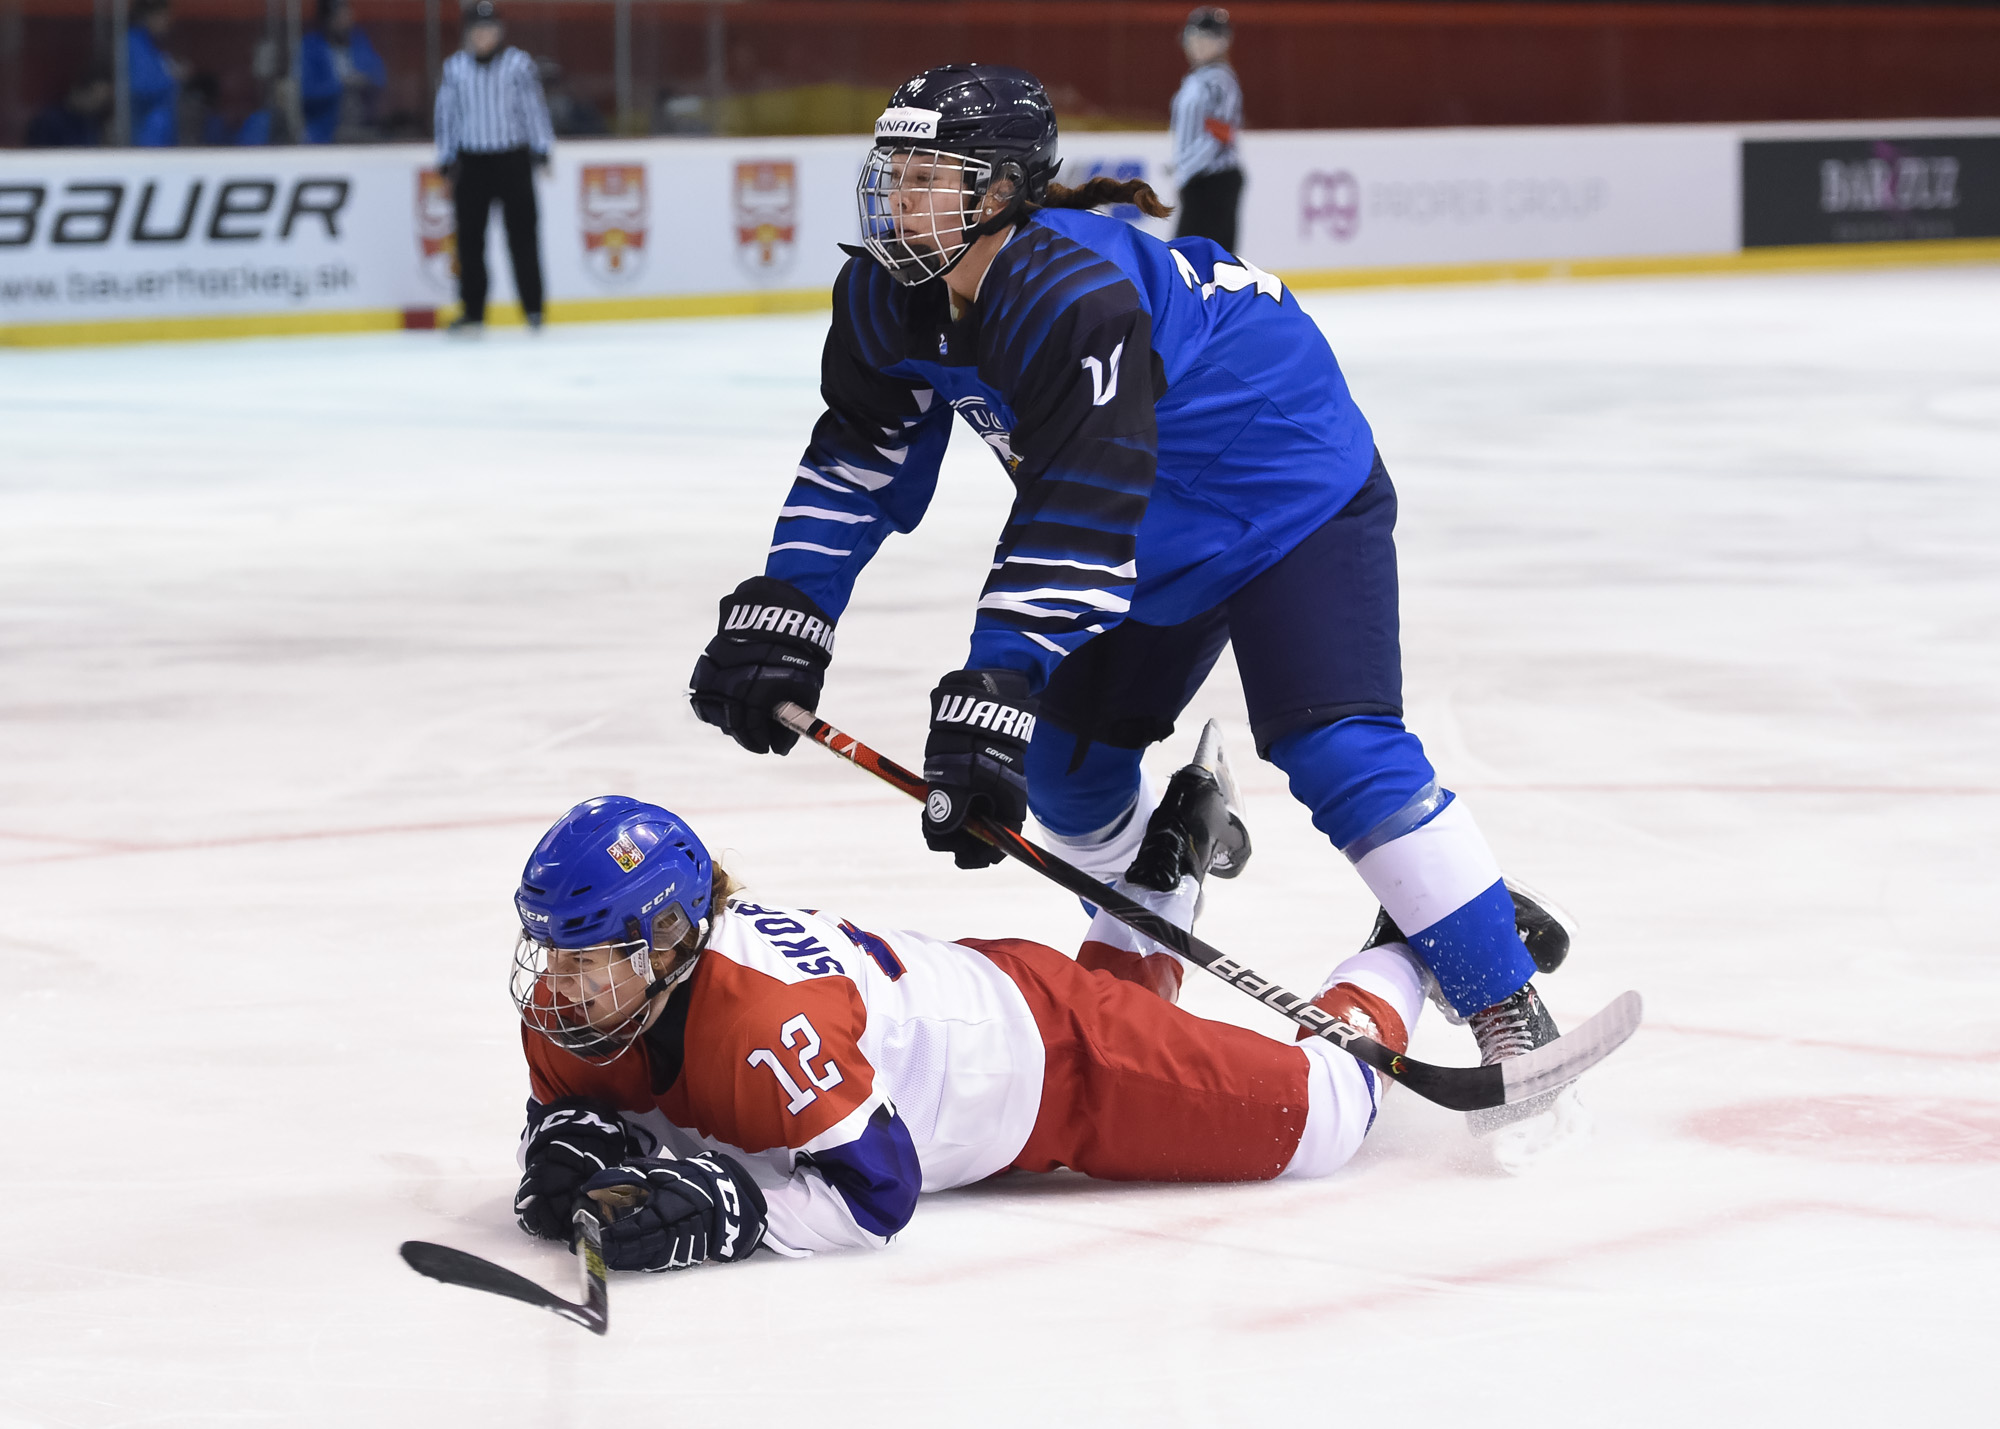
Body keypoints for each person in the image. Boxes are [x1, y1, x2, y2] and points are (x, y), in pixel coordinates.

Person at [686, 64, 1579, 1145]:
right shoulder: (886, 293)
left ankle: (1504, 1007)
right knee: (1066, 775)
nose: (899, 199)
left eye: (932, 176)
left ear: (1004, 191)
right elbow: (860, 459)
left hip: (1287, 496)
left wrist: (998, 677)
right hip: (1145, 533)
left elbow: (1080, 505)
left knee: (1338, 749)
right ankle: (1165, 866)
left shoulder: (1074, 292)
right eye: (893, 171)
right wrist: (787, 607)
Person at [506, 763, 1430, 1268]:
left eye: (591, 956)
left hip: (1056, 1061)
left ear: (668, 938)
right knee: (1138, 1016)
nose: (566, 983)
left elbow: (880, 1190)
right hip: (968, 1001)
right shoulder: (572, 1005)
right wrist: (565, 1138)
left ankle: (1411, 935)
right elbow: (575, 1105)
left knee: (1326, 1114)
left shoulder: (766, 1028)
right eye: (556, 951)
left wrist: (744, 1215)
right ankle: (1166, 869)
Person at [433, 0, 554, 331]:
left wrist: (542, 147)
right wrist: (445, 158)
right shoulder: (455, 68)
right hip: (472, 163)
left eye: (490, 30)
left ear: (500, 32)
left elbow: (534, 108)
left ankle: (533, 308)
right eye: (478, 30)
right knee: (470, 240)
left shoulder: (518, 65)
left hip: (512, 158)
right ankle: (473, 310)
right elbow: (447, 116)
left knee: (523, 236)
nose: (485, 36)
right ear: (468, 34)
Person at [1170, 6, 1244, 251]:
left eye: (1207, 38)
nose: (1198, 44)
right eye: (1194, 37)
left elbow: (1219, 134)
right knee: (1186, 255)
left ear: (1222, 43)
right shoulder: (1198, 78)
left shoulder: (1218, 80)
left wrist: (1186, 170)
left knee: (1208, 261)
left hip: (1213, 182)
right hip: (1199, 180)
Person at [300, 0, 386, 144]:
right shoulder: (311, 48)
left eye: (348, 14)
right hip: (325, 131)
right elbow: (307, 92)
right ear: (327, 19)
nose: (347, 20)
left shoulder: (359, 42)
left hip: (362, 126)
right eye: (341, 16)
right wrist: (341, 85)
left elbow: (379, 76)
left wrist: (365, 80)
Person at [126, 0, 182, 148]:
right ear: (149, 16)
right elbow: (139, 87)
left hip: (162, 132)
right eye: (163, 15)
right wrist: (171, 77)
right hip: (146, 133)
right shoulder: (134, 42)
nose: (168, 21)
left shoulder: (153, 45)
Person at [25, 70, 111, 148]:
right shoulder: (49, 122)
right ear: (79, 91)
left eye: (103, 102)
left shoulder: (90, 124)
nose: (98, 106)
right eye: (96, 99)